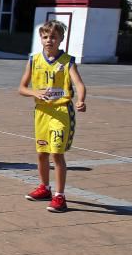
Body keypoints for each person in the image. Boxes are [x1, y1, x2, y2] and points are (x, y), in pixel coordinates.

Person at [18, 20, 87, 213]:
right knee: (42, 154)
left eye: (53, 37)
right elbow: (22, 88)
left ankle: (60, 196)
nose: (49, 40)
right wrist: (35, 93)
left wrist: (81, 99)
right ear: (41, 38)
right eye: (45, 36)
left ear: (61, 39)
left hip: (61, 112)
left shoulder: (67, 61)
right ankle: (44, 188)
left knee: (57, 153)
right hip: (42, 112)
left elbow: (79, 84)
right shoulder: (34, 60)